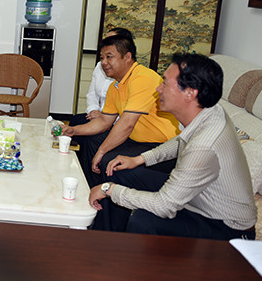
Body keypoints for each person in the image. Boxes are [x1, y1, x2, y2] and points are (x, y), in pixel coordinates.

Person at [88, 53, 257, 240]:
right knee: (119, 171)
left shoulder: (204, 146)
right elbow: (179, 142)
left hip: (225, 226)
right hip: (197, 196)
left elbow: (164, 205)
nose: (158, 89)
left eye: (165, 83)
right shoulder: (211, 111)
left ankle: (125, 254)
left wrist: (109, 190)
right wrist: (139, 159)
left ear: (190, 92)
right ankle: (104, 239)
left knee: (143, 221)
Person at [61, 34, 180, 187]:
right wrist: (74, 130)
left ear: (127, 57)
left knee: (109, 160)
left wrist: (101, 151)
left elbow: (127, 124)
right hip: (137, 140)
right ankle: (90, 188)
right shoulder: (115, 86)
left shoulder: (142, 78)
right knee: (91, 141)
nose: (104, 62)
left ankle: (107, 195)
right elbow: (104, 121)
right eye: (102, 58)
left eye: (109, 57)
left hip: (161, 146)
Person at [68, 27, 133, 127]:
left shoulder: (130, 74)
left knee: (86, 134)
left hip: (116, 121)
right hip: (98, 114)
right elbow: (92, 94)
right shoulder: (100, 65)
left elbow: (127, 114)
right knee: (75, 121)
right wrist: (93, 110)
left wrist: (103, 116)